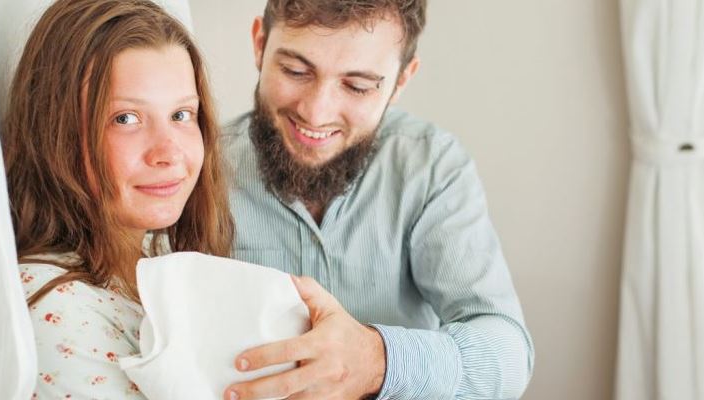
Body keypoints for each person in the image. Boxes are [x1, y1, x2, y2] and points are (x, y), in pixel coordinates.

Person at [222, 1, 534, 399]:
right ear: (259, 45)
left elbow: (508, 354)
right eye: (296, 71)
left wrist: (379, 361)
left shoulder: (431, 166)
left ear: (402, 80)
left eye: (357, 86)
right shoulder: (196, 170)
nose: (317, 112)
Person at [2, 0, 232, 397]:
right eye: (126, 118)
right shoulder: (55, 310)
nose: (169, 152)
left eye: (181, 115)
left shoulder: (153, 252)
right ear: (59, 135)